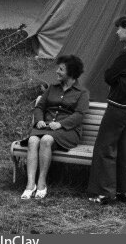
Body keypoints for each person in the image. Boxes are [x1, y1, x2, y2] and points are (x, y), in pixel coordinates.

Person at [87, 12, 126, 204]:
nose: (117, 32)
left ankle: (105, 193)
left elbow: (109, 75)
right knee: (124, 146)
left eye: (119, 28)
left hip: (119, 106)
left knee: (105, 146)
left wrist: (115, 78)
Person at [21, 55, 89, 200]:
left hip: (68, 131)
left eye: (61, 69)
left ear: (71, 72)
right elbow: (39, 107)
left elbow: (79, 115)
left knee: (46, 140)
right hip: (46, 128)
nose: (57, 71)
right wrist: (39, 120)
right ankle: (30, 184)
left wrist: (61, 124)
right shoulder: (52, 88)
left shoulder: (82, 93)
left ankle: (42, 182)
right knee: (32, 140)